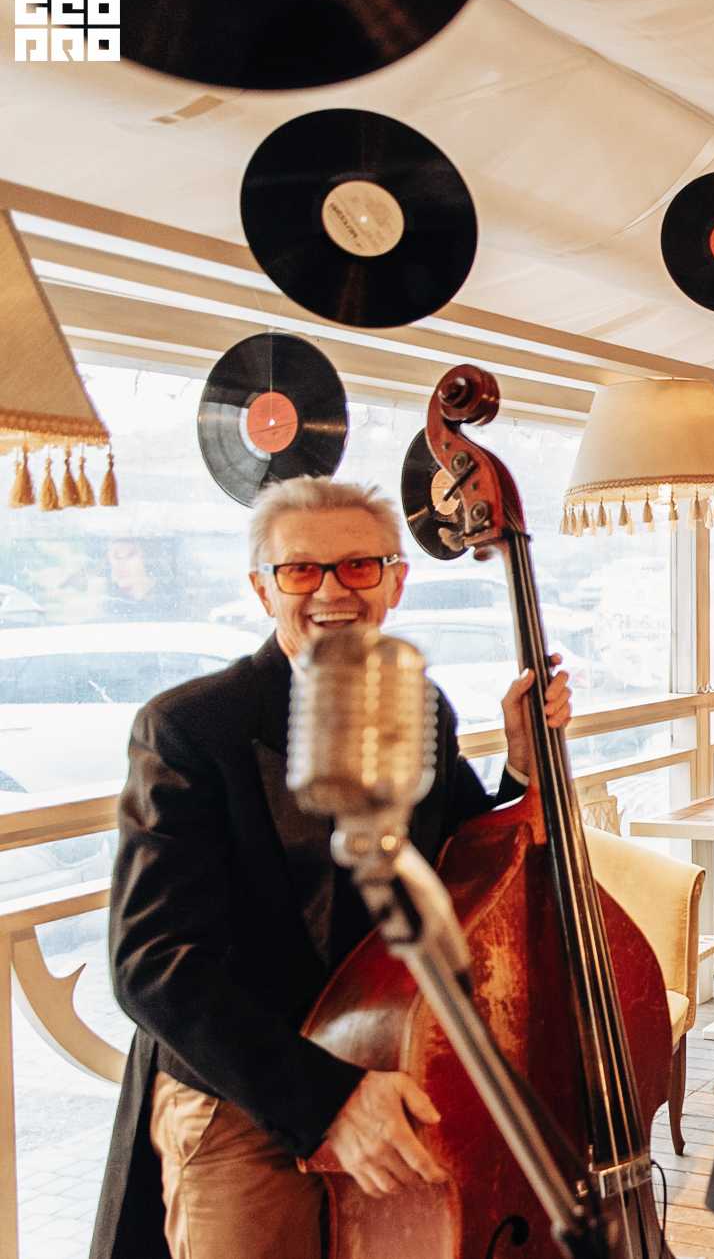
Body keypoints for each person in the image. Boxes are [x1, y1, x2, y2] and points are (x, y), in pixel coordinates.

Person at [92, 477, 572, 1259]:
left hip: (393, 1065)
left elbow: (459, 861)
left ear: (395, 581)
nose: (330, 591)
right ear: (263, 589)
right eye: (300, 570)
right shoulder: (188, 726)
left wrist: (520, 765)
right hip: (246, 1091)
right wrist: (328, 1103)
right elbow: (153, 964)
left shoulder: (419, 703)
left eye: (358, 566)